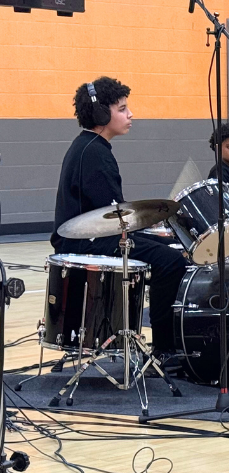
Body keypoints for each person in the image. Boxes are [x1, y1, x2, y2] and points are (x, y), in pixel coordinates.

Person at [50, 77, 189, 356]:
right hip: (87, 244)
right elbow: (113, 219)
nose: (130, 114)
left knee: (169, 249)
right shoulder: (94, 153)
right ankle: (165, 349)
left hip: (91, 237)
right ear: (102, 114)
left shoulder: (88, 146)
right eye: (122, 109)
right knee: (171, 261)